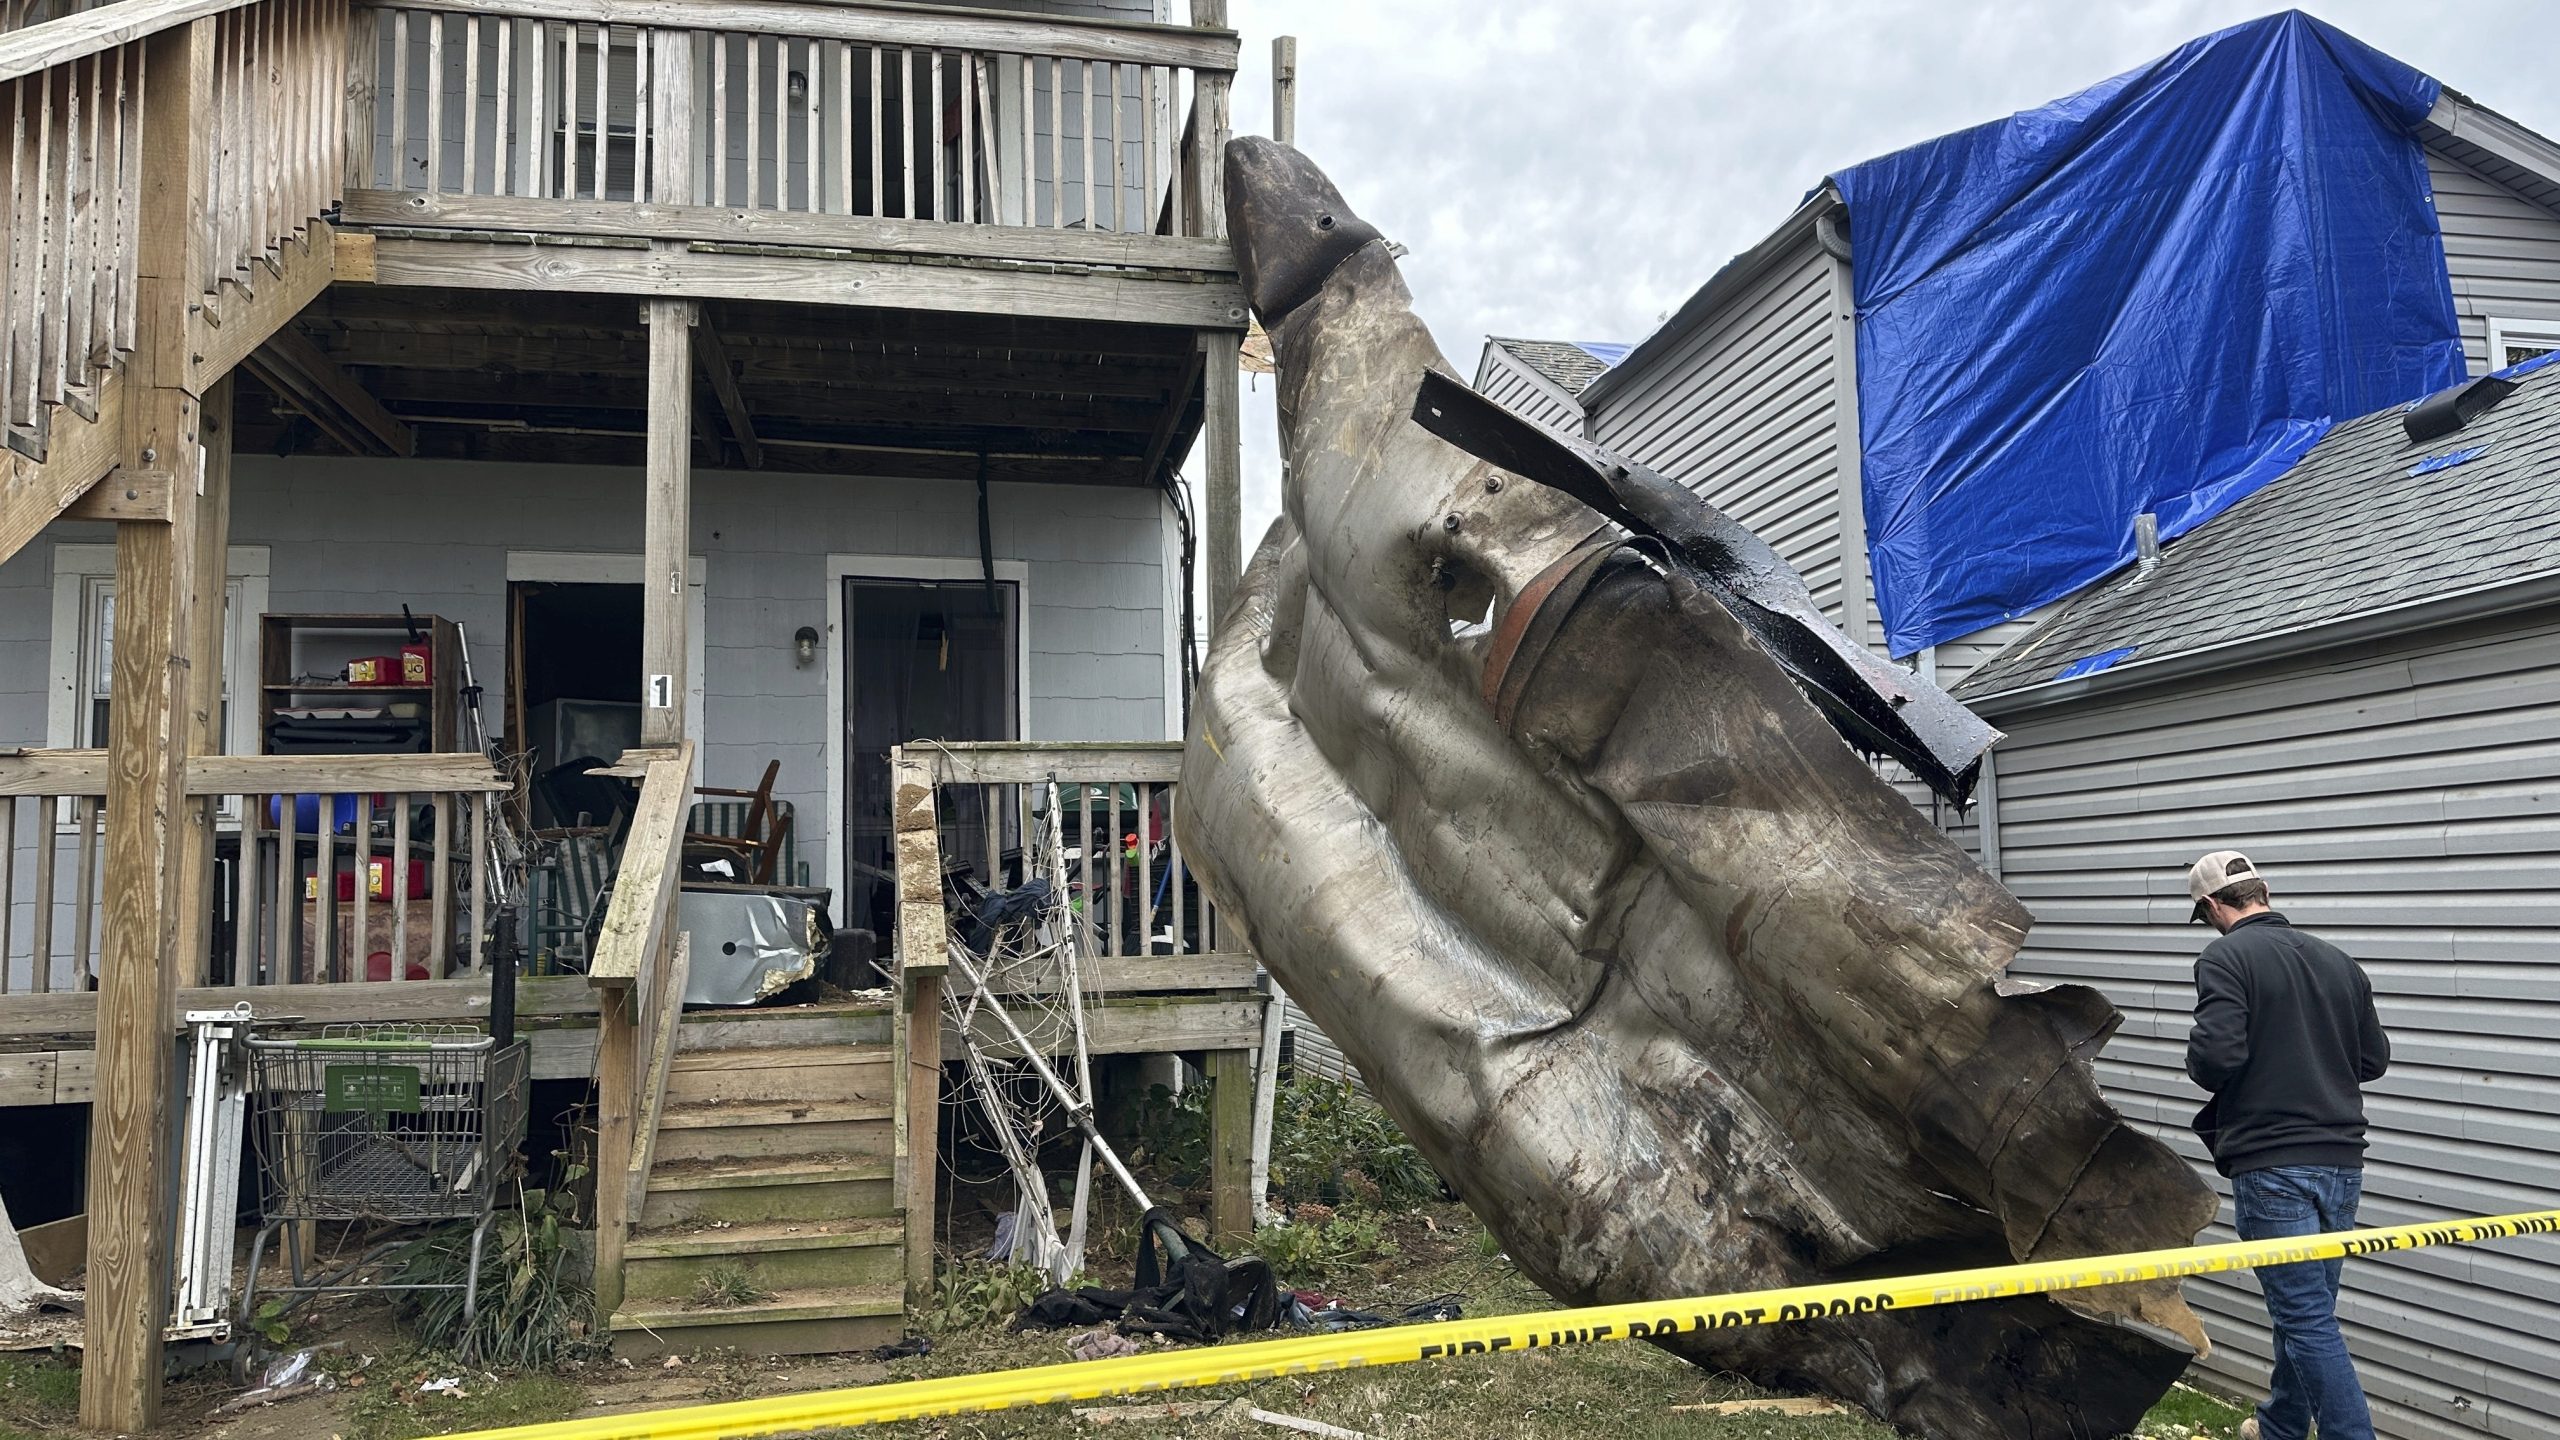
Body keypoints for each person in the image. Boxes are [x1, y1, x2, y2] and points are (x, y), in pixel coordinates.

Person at [2184, 850, 2390, 1440]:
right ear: (2263, 893)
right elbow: (2373, 1060)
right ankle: (2281, 1425)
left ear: (2212, 905)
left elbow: (2215, 1059)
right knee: (2307, 1311)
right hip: (2342, 1163)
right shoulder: (2337, 960)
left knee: (2305, 1318)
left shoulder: (2224, 956)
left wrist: (2205, 1053)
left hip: (2273, 1165)